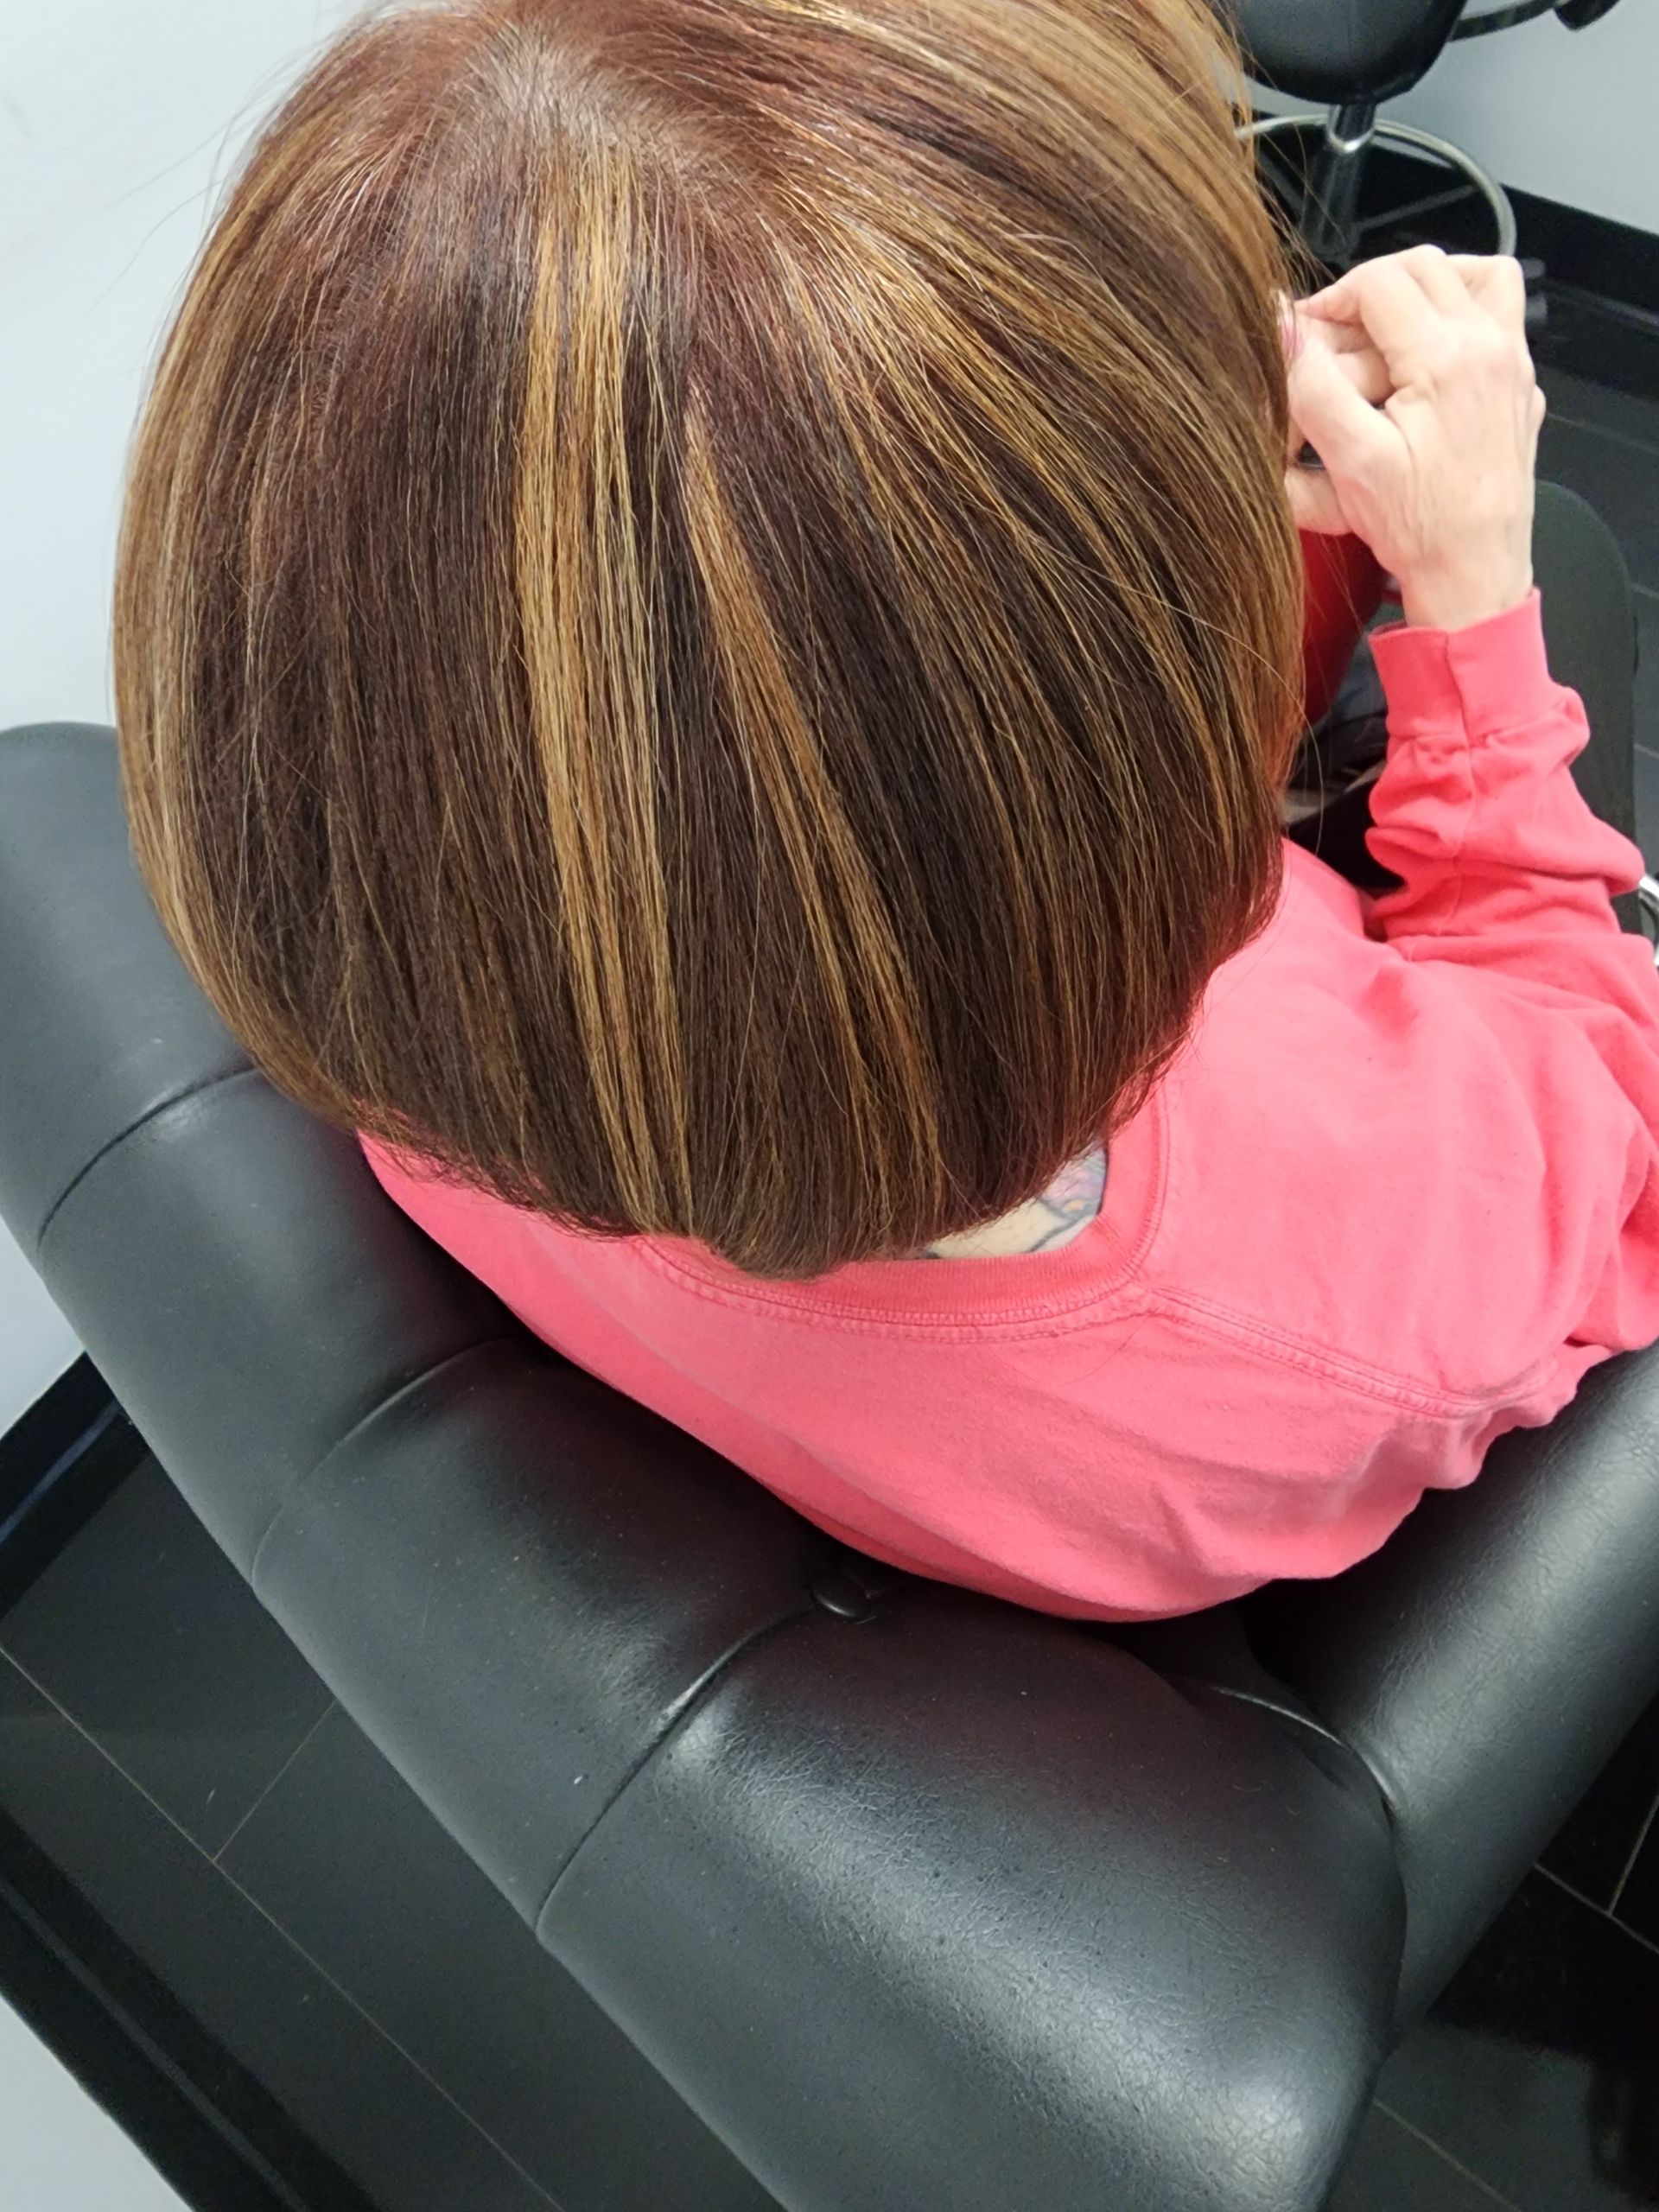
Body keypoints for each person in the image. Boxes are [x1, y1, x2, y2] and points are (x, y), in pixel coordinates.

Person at [113, 0, 1659, 1623]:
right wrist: (1471, 591)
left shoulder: (424, 905)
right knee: (1561, 543)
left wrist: (1180, 452)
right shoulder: (1351, 1280)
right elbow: (1602, 1104)